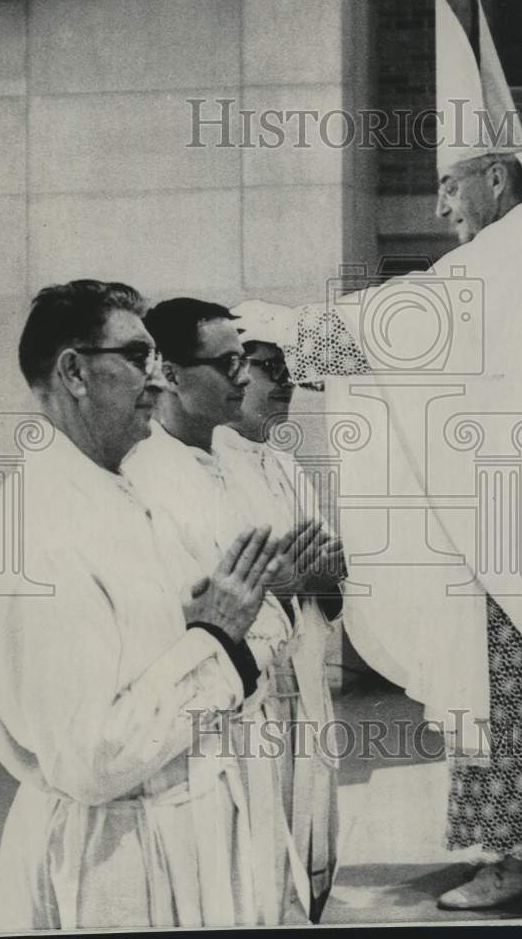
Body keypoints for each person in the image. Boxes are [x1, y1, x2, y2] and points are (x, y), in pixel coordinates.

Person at [232, 0, 522, 910]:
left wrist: (275, 331)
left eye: (453, 185)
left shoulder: (517, 254)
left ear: (498, 177)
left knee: (511, 685)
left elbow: (403, 324)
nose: (443, 203)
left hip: (518, 538)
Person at [0, 280, 289, 930]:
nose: (157, 380)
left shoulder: (118, 487)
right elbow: (91, 757)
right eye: (139, 358)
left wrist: (206, 632)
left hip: (174, 829)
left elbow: (165, 652)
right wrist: (216, 644)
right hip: (113, 864)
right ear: (74, 372)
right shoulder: (41, 531)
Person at [122, 298, 334, 924]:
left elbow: (277, 577)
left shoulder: (231, 461)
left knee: (276, 863)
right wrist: (281, 589)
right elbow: (186, 616)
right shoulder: (148, 475)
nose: (245, 378)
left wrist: (309, 581)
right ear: (170, 374)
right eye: (231, 363)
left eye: (249, 363)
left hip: (269, 696)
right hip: (202, 721)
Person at [215, 337, 347, 920]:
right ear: (234, 374)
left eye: (291, 369)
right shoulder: (209, 463)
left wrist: (320, 574)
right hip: (255, 685)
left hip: (307, 668)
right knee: (261, 837)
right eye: (271, 368)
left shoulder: (286, 462)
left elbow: (322, 566)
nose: (286, 381)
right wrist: (285, 579)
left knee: (313, 807)